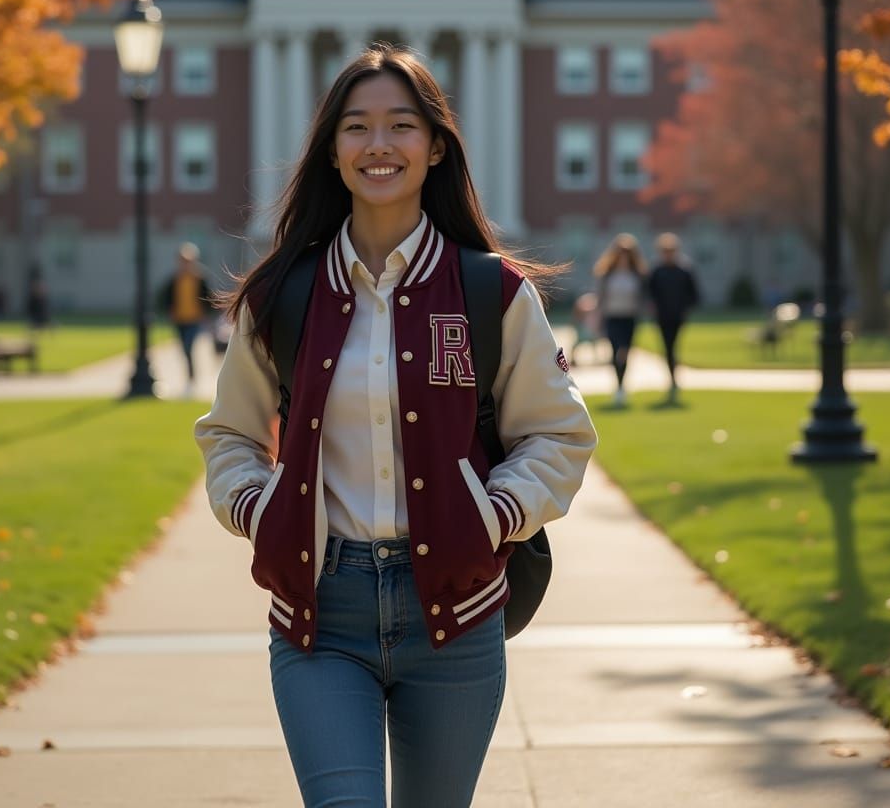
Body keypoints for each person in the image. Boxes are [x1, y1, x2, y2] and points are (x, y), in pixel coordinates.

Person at [195, 46, 597, 808]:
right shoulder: (281, 295)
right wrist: (261, 509)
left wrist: (494, 513)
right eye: (357, 128)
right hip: (320, 615)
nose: (378, 145)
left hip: (455, 616)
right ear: (334, 152)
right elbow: (230, 435)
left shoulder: (493, 292)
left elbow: (559, 435)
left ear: (435, 145)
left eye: (400, 126)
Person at [594, 233, 647, 407]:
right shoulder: (607, 274)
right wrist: (597, 317)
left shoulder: (636, 275)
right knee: (615, 351)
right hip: (612, 317)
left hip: (629, 318)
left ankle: (622, 386)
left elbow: (642, 297)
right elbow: (600, 298)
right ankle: (618, 387)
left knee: (624, 352)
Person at [648, 232, 700, 401]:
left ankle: (673, 378)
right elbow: (650, 293)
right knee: (667, 347)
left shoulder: (684, 270)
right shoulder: (657, 271)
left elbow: (694, 295)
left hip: (678, 316)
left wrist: (685, 308)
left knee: (673, 346)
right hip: (662, 316)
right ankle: (672, 378)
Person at [160, 242, 214, 394]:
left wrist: (206, 315)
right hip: (179, 319)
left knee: (189, 346)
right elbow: (167, 298)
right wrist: (170, 311)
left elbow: (208, 298)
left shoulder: (200, 278)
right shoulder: (175, 279)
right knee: (184, 348)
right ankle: (189, 374)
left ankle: (192, 377)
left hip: (194, 319)